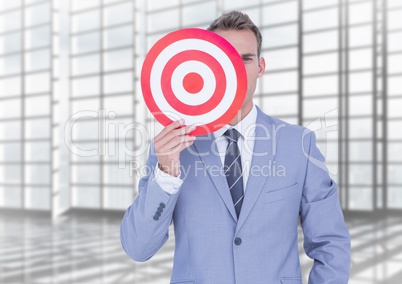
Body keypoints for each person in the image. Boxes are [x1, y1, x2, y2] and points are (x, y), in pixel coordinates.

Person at [120, 11, 351, 283]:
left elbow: (330, 243)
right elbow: (138, 247)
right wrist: (166, 174)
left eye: (245, 59)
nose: (236, 70)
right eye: (224, 59)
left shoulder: (299, 144)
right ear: (207, 65)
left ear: (261, 67)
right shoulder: (172, 147)